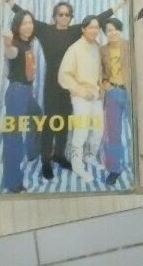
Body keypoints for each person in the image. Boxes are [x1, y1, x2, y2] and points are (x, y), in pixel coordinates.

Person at [0, 0, 126, 180]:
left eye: (67, 14)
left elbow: (98, 19)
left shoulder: (75, 31)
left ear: (71, 17)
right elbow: (23, 14)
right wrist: (8, 0)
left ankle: (59, 155)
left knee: (65, 120)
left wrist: (118, 5)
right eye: (61, 14)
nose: (64, 17)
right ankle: (46, 160)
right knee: (50, 121)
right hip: (51, 82)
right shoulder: (45, 30)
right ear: (54, 16)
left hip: (69, 84)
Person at [0, 10, 44, 193]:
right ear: (17, 26)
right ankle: (12, 182)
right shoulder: (17, 44)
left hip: (26, 92)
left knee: (37, 115)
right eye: (24, 23)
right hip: (17, 93)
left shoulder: (28, 43)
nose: (28, 26)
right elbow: (11, 53)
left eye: (30, 22)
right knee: (13, 135)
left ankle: (32, 152)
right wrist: (7, 44)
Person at [58, 15, 104, 183]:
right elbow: (64, 75)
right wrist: (82, 92)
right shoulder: (75, 49)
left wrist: (100, 88)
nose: (94, 30)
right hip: (80, 97)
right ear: (83, 29)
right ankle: (77, 166)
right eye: (90, 27)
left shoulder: (97, 46)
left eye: (96, 27)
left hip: (96, 96)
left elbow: (99, 70)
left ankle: (89, 156)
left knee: (98, 130)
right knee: (81, 132)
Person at [100, 18, 130, 186]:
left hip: (132, 93)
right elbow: (99, 71)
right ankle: (114, 169)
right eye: (109, 30)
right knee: (113, 134)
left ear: (120, 30)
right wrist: (106, 85)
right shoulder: (102, 50)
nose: (112, 32)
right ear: (105, 33)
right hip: (113, 93)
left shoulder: (130, 46)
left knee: (140, 129)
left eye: (115, 29)